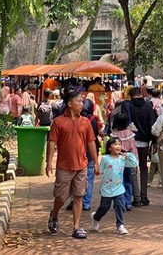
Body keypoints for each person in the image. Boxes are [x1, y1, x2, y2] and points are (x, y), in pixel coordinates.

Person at [46, 88, 100, 239]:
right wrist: (49, 162)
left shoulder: (85, 122)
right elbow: (52, 143)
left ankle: (76, 227)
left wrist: (95, 162)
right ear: (69, 103)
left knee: (78, 196)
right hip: (64, 166)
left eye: (82, 101)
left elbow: (91, 143)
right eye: (78, 101)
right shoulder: (58, 122)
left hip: (81, 165)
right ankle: (54, 214)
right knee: (61, 198)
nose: (82, 104)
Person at [90, 137, 138, 235]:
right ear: (109, 147)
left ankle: (120, 225)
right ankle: (96, 217)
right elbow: (100, 171)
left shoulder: (123, 159)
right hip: (107, 189)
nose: (118, 146)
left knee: (120, 206)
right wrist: (97, 171)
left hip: (119, 188)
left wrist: (127, 155)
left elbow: (134, 163)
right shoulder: (105, 159)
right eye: (115, 144)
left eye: (120, 144)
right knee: (104, 207)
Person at [126, 87, 157, 206]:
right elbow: (152, 124)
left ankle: (136, 196)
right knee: (144, 167)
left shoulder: (128, 106)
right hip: (144, 141)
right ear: (141, 94)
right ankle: (144, 195)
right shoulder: (148, 106)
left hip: (131, 141)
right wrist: (153, 141)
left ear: (130, 95)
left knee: (133, 168)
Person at [109, 110, 138, 210]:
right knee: (128, 182)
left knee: (118, 182)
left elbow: (109, 149)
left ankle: (120, 202)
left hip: (116, 162)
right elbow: (134, 150)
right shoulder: (130, 134)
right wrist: (135, 163)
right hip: (128, 162)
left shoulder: (113, 135)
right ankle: (128, 202)